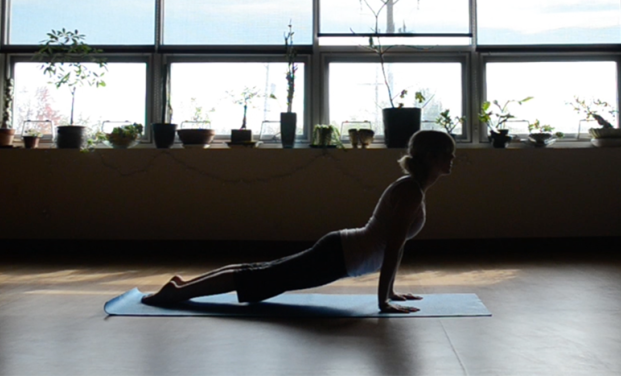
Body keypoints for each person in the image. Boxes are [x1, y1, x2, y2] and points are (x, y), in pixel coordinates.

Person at [141, 130, 456, 314]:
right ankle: (175, 294)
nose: (453, 159)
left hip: (343, 252)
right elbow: (394, 248)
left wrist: (391, 292)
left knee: (262, 272)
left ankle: (180, 287)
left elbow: (393, 247)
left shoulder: (412, 188)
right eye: (448, 154)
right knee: (261, 279)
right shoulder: (410, 191)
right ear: (430, 157)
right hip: (340, 256)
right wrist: (383, 300)